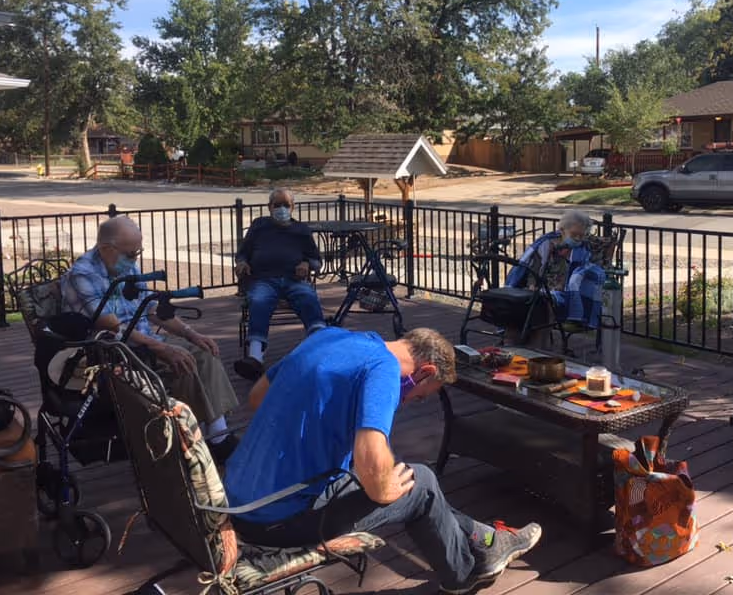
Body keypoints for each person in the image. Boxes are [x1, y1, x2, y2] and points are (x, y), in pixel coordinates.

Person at [223, 326, 542, 594]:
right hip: (277, 521)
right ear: (426, 371)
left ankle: (486, 539)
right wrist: (385, 486)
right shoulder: (384, 368)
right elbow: (376, 477)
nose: (407, 401)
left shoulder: (328, 337)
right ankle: (464, 575)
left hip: (241, 500)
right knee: (420, 483)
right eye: (419, 395)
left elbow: (259, 396)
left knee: (404, 475)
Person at [62, 216, 240, 462]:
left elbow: (151, 310)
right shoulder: (82, 274)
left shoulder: (123, 265)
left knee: (203, 351)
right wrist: (160, 347)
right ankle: (199, 439)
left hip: (143, 341)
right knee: (182, 363)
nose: (134, 260)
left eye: (137, 253)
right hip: (111, 350)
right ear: (106, 248)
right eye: (130, 254)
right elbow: (110, 326)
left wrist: (190, 333)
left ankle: (217, 435)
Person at [234, 187, 326, 381]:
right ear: (269, 207)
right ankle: (255, 356)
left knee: (308, 298)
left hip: (294, 279)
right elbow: (242, 253)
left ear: (293, 207)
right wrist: (242, 262)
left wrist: (307, 263)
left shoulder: (301, 230)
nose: (282, 209)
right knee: (259, 301)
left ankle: (320, 347)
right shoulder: (259, 226)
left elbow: (317, 260)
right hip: (263, 279)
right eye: (277, 205)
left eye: (286, 205)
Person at [503, 209, 606, 344]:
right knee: (519, 303)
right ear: (562, 230)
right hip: (539, 288)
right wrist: (532, 284)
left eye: (582, 236)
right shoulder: (546, 243)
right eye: (574, 235)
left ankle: (537, 347)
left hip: (566, 295)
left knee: (545, 304)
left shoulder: (585, 249)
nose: (578, 239)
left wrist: (565, 284)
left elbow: (587, 273)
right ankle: (512, 343)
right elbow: (531, 267)